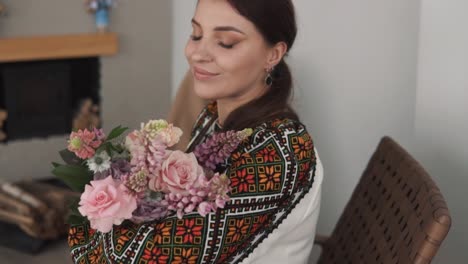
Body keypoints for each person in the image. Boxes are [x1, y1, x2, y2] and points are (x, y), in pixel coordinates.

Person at [68, 0, 323, 263]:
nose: (197, 53)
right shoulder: (214, 117)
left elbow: (151, 258)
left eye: (225, 42)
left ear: (273, 54)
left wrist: (89, 225)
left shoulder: (281, 152)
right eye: (196, 35)